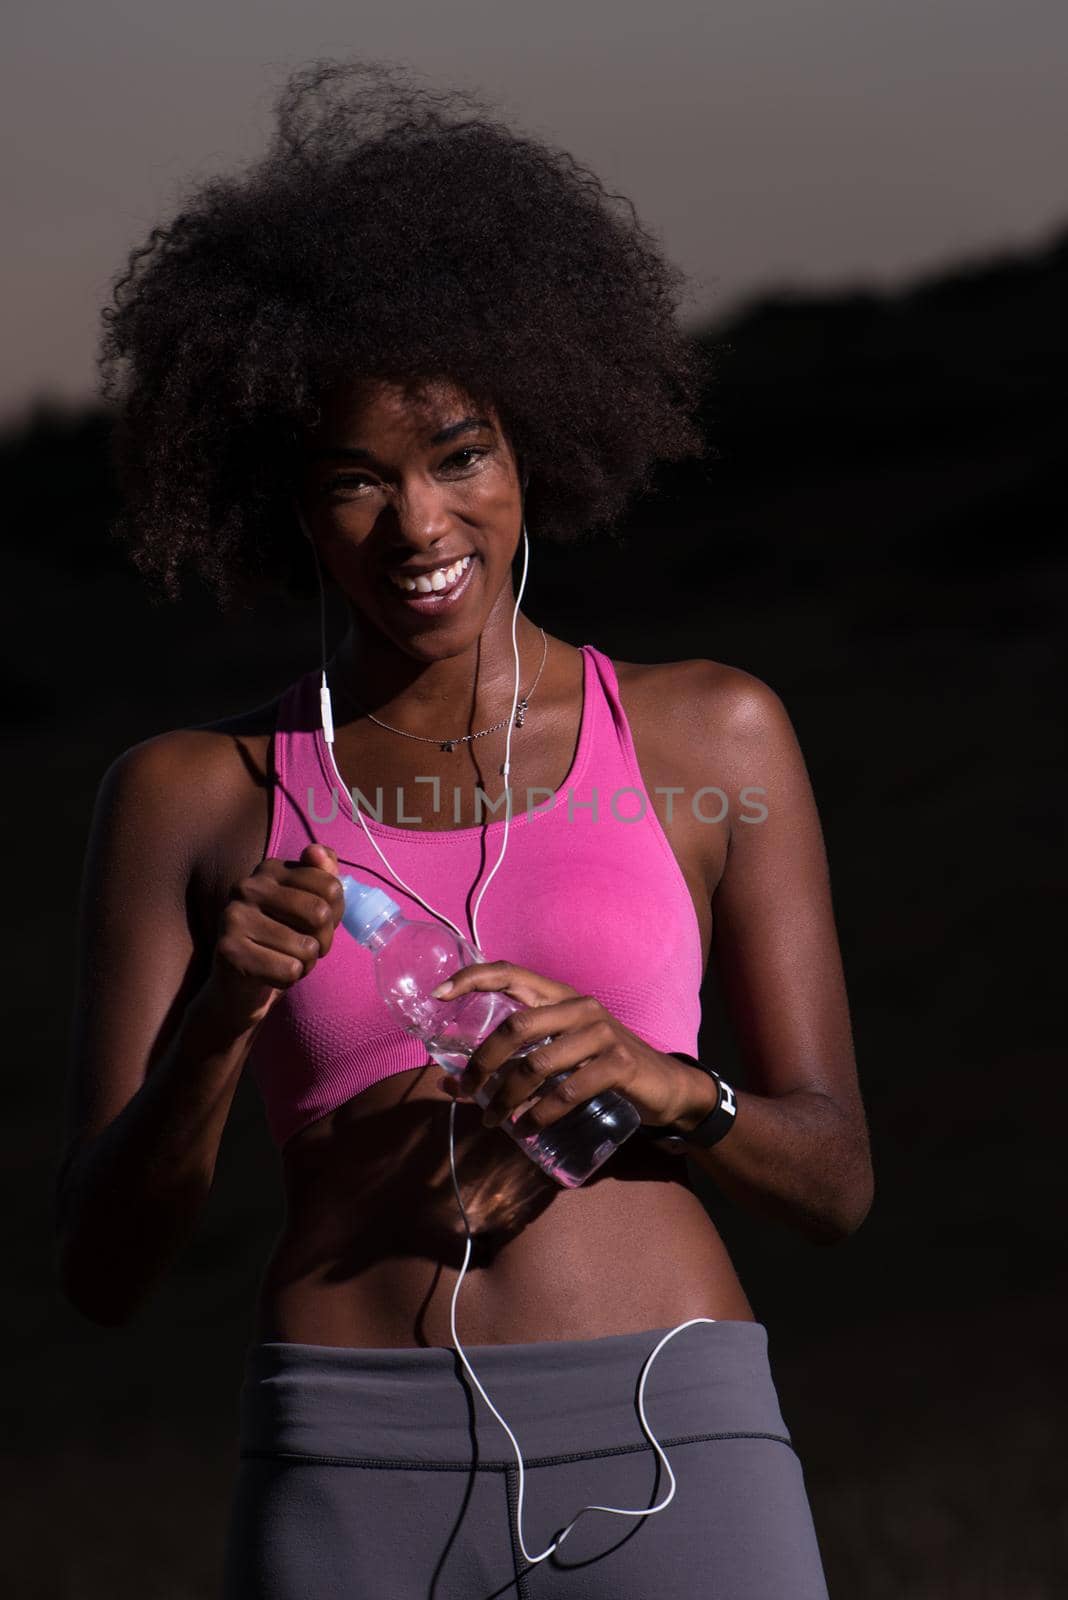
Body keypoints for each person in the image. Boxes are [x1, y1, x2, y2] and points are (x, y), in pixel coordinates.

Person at [56, 58, 873, 1598]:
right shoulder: (191, 797)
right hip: (351, 1470)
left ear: (535, 443)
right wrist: (219, 1021)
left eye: (458, 455)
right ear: (282, 503)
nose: (420, 528)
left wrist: (663, 1086)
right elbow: (103, 1272)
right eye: (355, 481)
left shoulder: (709, 734)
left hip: (673, 1441)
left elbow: (836, 1181)